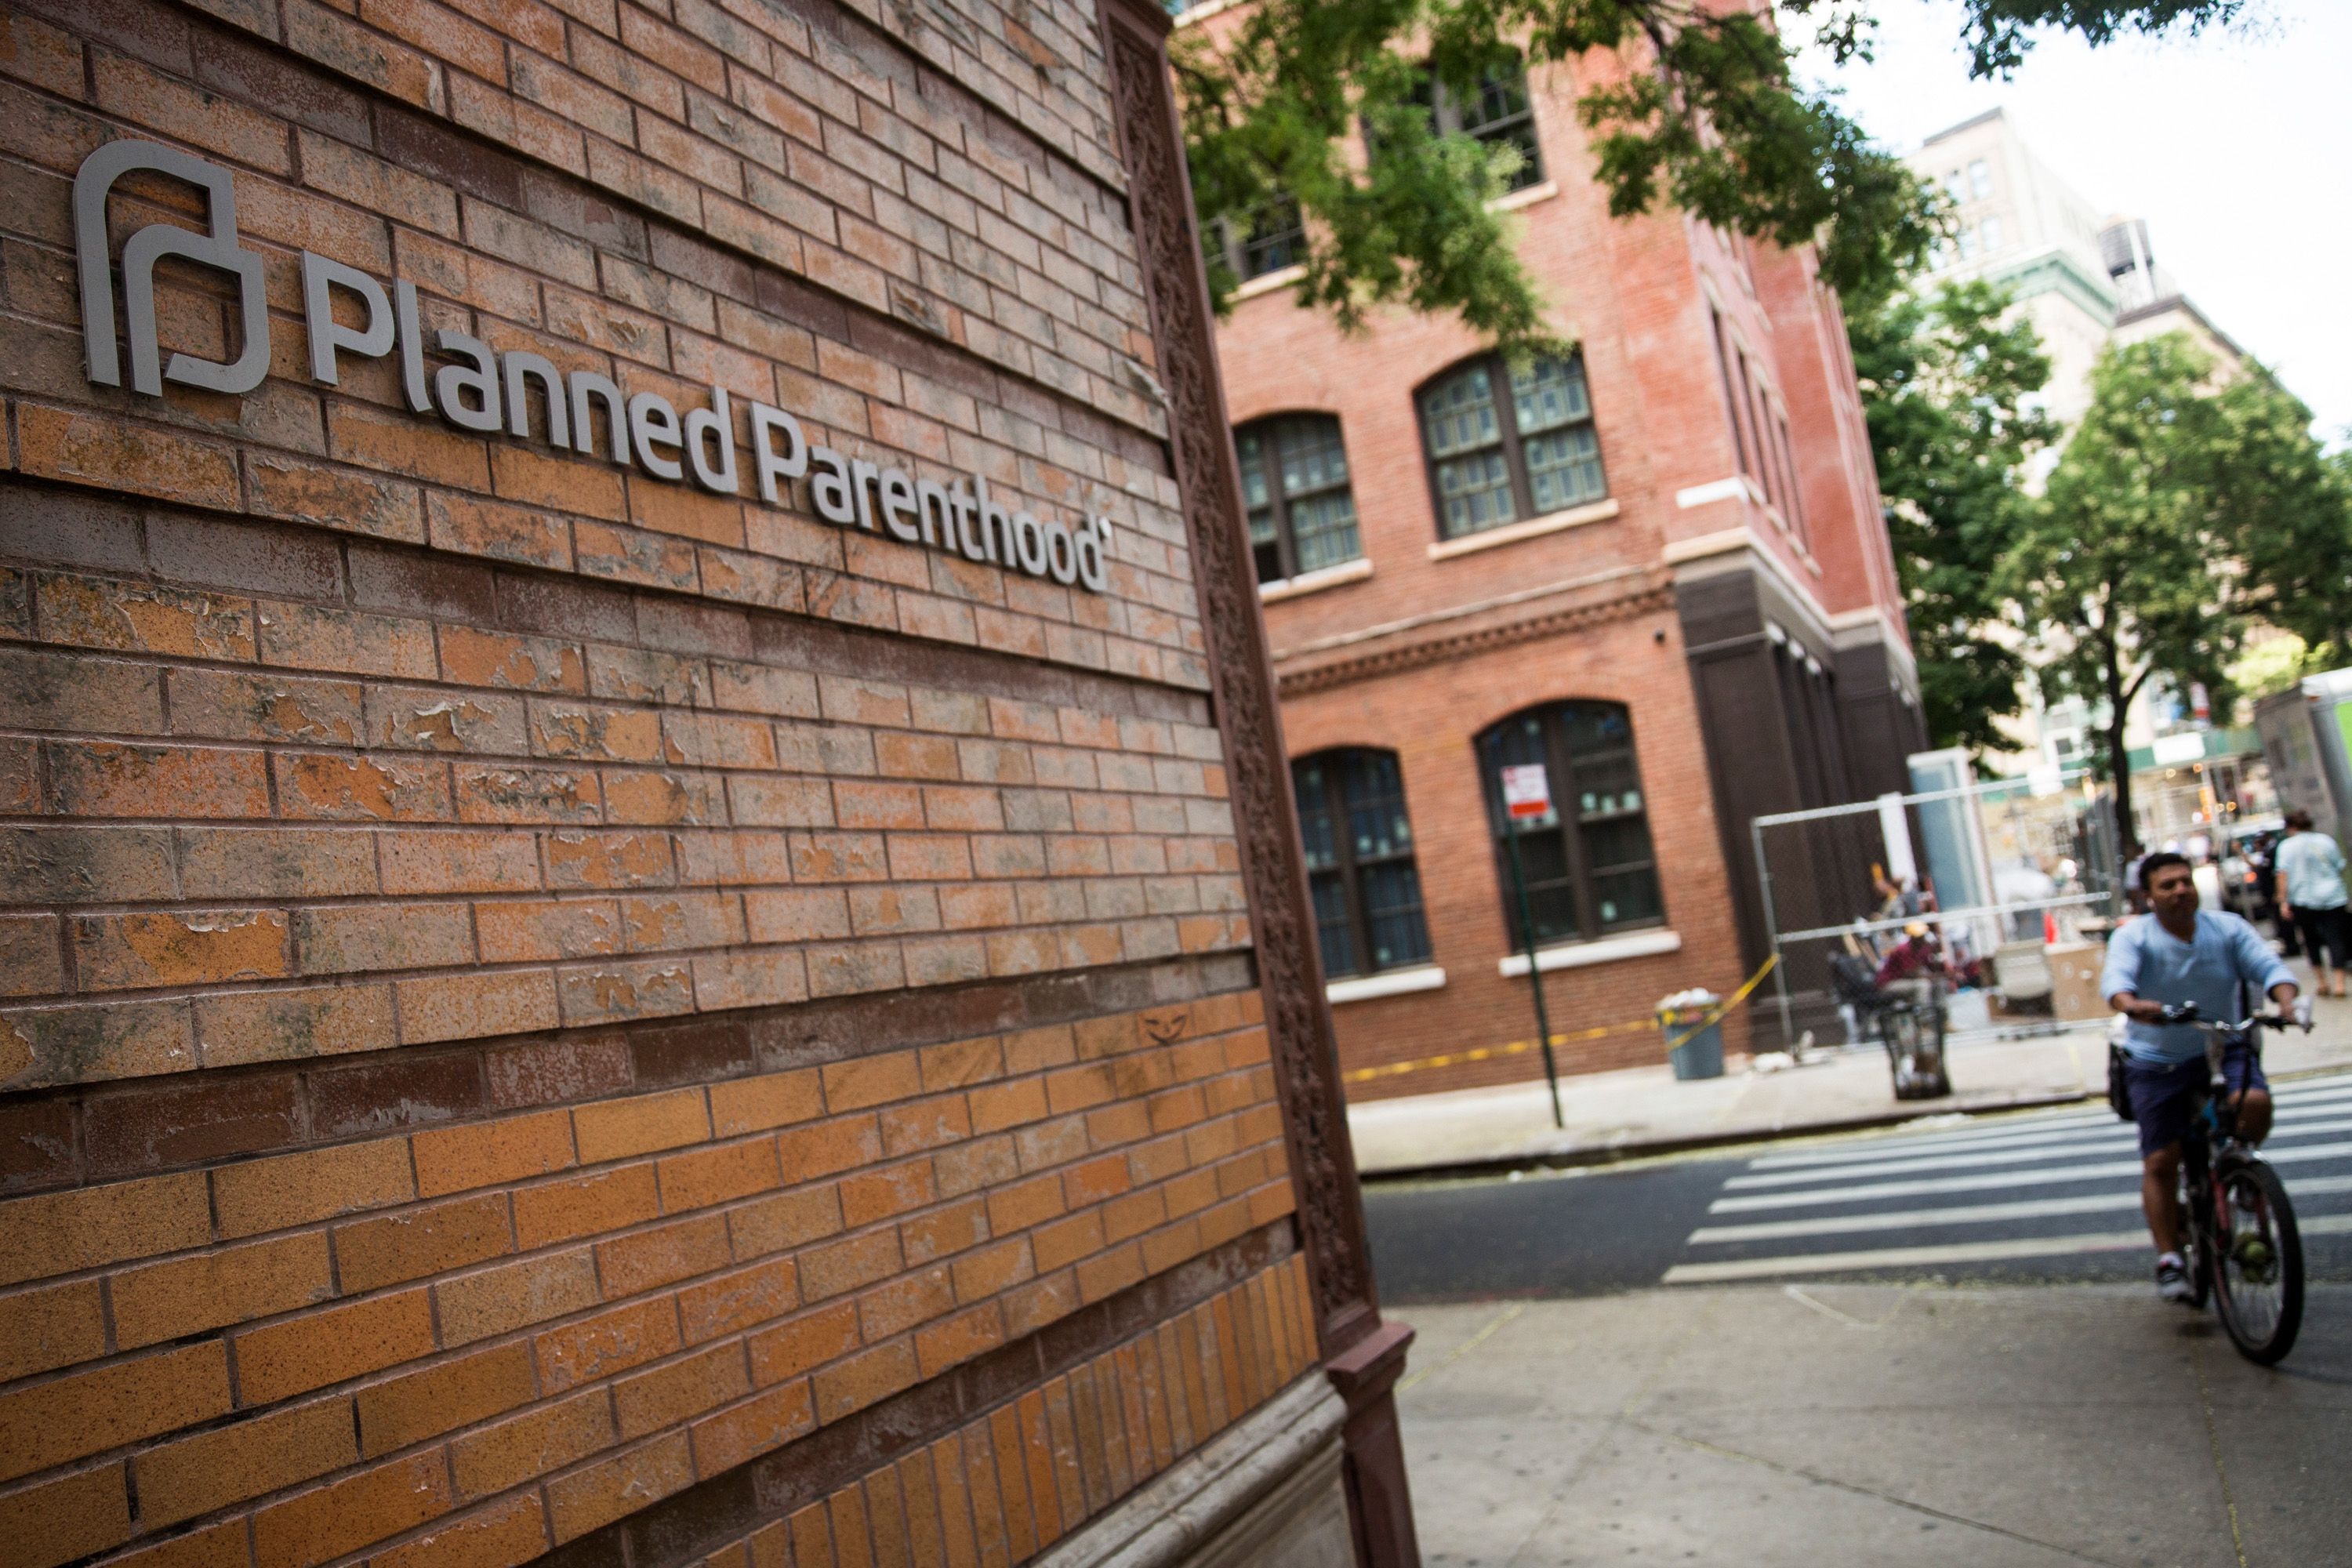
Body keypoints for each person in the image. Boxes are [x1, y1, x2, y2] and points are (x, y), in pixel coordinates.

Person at [2102, 852, 2309, 1304]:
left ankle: (2240, 1178)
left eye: (2185, 882)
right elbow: (2116, 985)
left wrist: (2288, 1002)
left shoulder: (2228, 928)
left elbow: (2270, 968)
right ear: (2148, 896)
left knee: (2252, 1104)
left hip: (2224, 1045)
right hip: (2157, 1059)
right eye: (2167, 886)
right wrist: (2135, 1006)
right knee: (2161, 1162)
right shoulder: (2134, 937)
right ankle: (2170, 1258)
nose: (2180, 891)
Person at [2274, 808, 2350, 999]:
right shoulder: (2326, 841)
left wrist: (2283, 901)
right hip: (2333, 896)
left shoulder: (2286, 847)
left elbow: (2283, 874)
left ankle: (2322, 982)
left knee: (2310, 941)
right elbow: (2339, 866)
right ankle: (2340, 984)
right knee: (2336, 939)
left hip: (2302, 900)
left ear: (2291, 827)